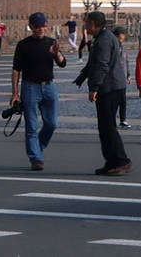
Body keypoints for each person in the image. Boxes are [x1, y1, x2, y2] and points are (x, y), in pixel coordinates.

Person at [9, 11, 67, 171]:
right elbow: (16, 70)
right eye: (38, 26)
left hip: (49, 86)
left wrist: (57, 55)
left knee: (52, 123)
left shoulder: (51, 42)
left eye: (43, 26)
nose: (41, 29)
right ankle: (35, 158)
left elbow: (63, 63)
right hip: (30, 87)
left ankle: (38, 146)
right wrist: (15, 93)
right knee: (32, 125)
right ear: (31, 27)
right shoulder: (23, 45)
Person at [80, 10, 132, 175]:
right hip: (114, 86)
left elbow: (102, 65)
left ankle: (121, 161)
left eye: (87, 22)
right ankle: (111, 162)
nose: (85, 25)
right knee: (106, 127)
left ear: (93, 24)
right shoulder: (107, 36)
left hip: (108, 88)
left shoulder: (103, 41)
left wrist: (94, 88)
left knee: (108, 127)